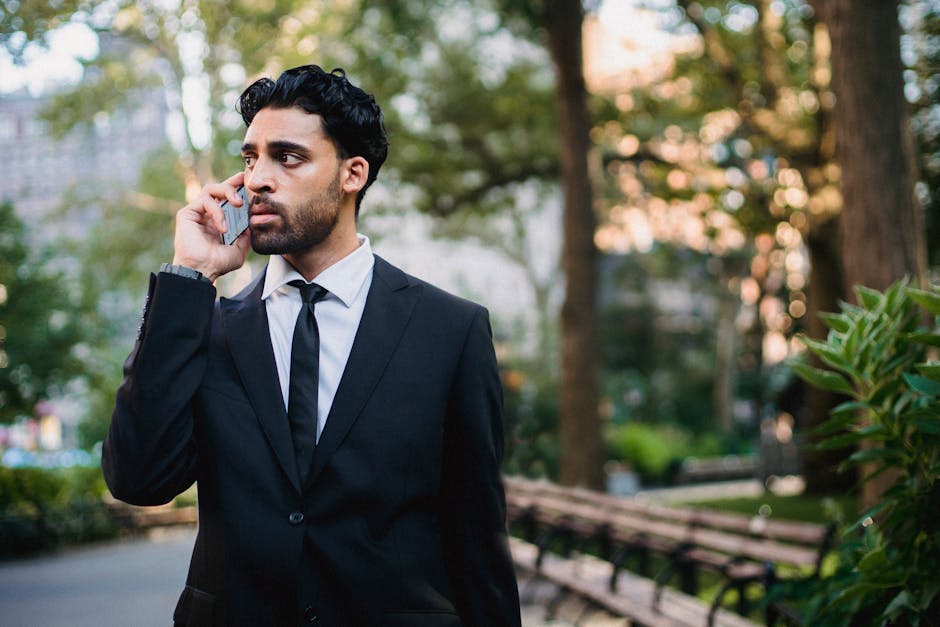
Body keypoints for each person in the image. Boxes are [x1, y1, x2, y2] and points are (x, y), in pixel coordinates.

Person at [102, 64, 521, 627]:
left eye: (288, 157)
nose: (256, 180)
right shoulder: (207, 327)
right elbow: (138, 479)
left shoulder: (450, 330)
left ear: (352, 173)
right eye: (250, 158)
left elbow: (477, 538)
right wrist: (189, 276)